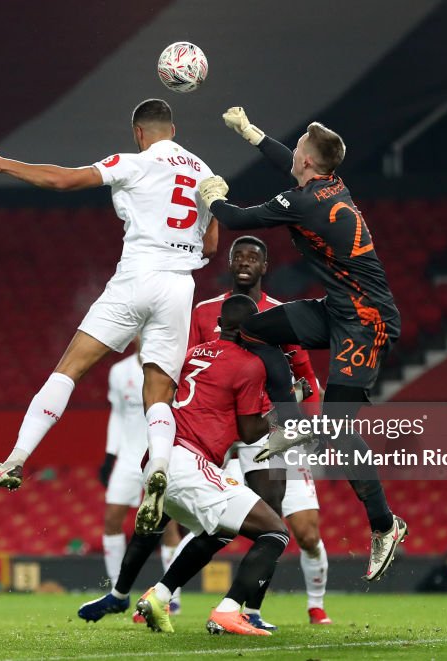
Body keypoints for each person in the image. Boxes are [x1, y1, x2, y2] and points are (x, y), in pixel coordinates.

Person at [0, 99, 219, 537]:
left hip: (137, 275)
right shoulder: (203, 172)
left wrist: (2, 163)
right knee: (158, 391)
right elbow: (213, 245)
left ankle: (16, 459)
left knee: (71, 367)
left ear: (139, 133)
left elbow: (61, 179)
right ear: (173, 130)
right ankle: (160, 466)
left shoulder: (133, 161)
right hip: (180, 287)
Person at [197, 108, 407, 581]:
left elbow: (236, 217)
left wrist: (212, 195)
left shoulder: (305, 202)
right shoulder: (331, 185)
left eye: (298, 150)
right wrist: (250, 131)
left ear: (308, 162)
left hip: (366, 323)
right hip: (337, 309)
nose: (292, 153)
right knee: (250, 327)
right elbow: (283, 160)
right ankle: (290, 417)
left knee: (337, 431)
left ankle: (384, 525)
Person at [188, 235, 331, 626]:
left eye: (254, 256)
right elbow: (190, 369)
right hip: (221, 435)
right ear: (230, 263)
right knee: (214, 523)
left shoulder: (284, 314)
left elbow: (306, 375)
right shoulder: (204, 313)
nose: (245, 262)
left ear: (265, 266)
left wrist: (312, 423)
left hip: (271, 429)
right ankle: (168, 595)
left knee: (296, 528)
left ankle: (296, 606)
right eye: (239, 256)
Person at [135, 295, 289, 637]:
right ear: (250, 328)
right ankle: (229, 611)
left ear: (220, 323)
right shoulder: (248, 364)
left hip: (159, 458)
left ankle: (159, 596)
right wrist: (280, 412)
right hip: (191, 461)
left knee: (217, 532)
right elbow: (250, 432)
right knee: (275, 532)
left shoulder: (192, 354)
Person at [78, 341, 183, 622]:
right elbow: (118, 414)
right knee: (112, 519)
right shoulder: (119, 371)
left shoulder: (171, 366)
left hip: (158, 456)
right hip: (127, 458)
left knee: (167, 525)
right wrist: (110, 455)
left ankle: (171, 598)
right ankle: (117, 590)